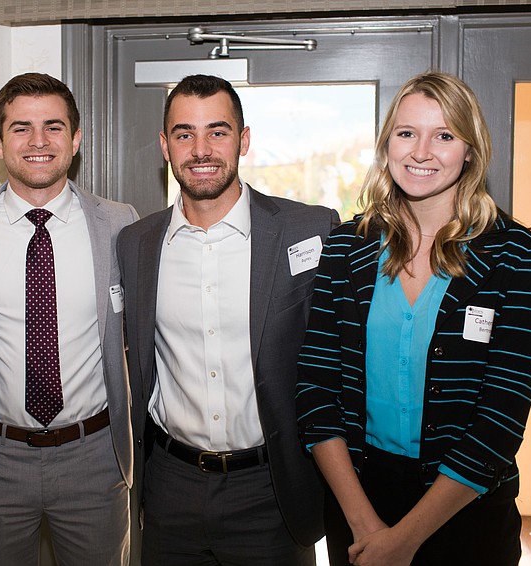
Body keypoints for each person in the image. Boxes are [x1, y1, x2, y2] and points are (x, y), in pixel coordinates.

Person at [296, 71, 531, 566]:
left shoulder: (514, 253)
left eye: (445, 135)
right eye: (407, 133)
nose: (421, 151)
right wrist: (364, 525)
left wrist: (406, 539)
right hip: (358, 498)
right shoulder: (346, 247)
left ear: (470, 150)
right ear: (387, 142)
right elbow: (316, 391)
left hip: (466, 506)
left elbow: (501, 415)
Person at [117, 74, 340, 565]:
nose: (201, 149)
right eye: (183, 134)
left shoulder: (310, 230)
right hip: (170, 486)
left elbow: (357, 333)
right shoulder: (135, 245)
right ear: (164, 145)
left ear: (243, 140)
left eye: (217, 132)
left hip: (272, 487)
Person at [0, 73, 138, 565]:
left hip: (94, 456)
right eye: (20, 128)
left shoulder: (120, 224)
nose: (38, 142)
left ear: (76, 139)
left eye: (54, 127)